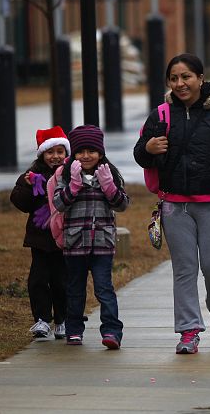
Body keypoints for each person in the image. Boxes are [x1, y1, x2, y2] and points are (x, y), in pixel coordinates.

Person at [133, 53, 210, 355]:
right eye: (174, 78)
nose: (180, 83)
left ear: (200, 78)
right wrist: (148, 149)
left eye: (186, 76)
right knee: (184, 269)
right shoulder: (161, 114)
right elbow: (140, 154)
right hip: (174, 204)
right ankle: (189, 330)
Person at [52, 125, 129, 348]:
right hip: (75, 244)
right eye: (80, 152)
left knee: (104, 289)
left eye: (91, 151)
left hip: (102, 244)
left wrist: (109, 186)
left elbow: (122, 204)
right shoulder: (66, 177)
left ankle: (112, 332)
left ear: (100, 152)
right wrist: (74, 186)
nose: (86, 156)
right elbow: (58, 204)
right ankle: (74, 330)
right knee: (75, 289)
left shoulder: (109, 174)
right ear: (73, 154)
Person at [10, 126, 70, 340]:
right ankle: (42, 319)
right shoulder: (32, 174)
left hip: (65, 238)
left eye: (60, 152)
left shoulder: (72, 173)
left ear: (66, 154)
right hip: (41, 238)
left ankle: (62, 320)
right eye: (50, 152)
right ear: (42, 154)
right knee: (38, 279)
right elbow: (20, 202)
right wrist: (26, 187)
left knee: (61, 281)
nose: (55, 157)